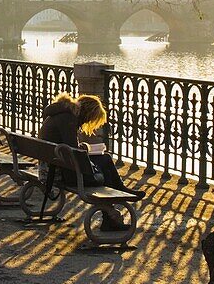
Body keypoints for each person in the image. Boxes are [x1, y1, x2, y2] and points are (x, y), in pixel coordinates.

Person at [38, 92, 144, 228]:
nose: (88, 123)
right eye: (91, 119)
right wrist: (85, 150)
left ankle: (112, 209)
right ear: (87, 113)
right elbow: (73, 152)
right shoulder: (68, 119)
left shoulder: (60, 114)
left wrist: (82, 148)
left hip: (52, 168)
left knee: (105, 159)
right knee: (104, 173)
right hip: (59, 174)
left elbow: (68, 148)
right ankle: (111, 214)